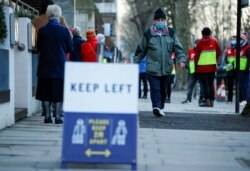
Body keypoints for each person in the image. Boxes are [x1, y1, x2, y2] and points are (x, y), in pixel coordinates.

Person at [134, 8, 186, 117]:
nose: (160, 21)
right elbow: (140, 50)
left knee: (163, 90)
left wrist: (181, 60)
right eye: (158, 19)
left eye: (163, 19)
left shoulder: (171, 32)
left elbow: (178, 48)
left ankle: (161, 107)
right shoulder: (148, 34)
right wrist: (134, 64)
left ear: (165, 21)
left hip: (167, 68)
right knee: (155, 88)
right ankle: (156, 107)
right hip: (152, 68)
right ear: (154, 21)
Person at [36, 4, 73, 124]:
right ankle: (58, 117)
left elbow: (39, 47)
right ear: (59, 15)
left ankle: (47, 116)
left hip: (45, 65)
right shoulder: (64, 31)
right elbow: (70, 48)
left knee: (45, 91)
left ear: (48, 15)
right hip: (60, 66)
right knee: (58, 91)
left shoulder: (42, 31)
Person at [195, 27, 221, 107]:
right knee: (211, 84)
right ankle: (212, 101)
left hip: (202, 68)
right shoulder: (214, 42)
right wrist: (214, 59)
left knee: (205, 85)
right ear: (210, 33)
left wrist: (196, 65)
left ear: (202, 34)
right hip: (212, 67)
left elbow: (196, 55)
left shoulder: (200, 42)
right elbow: (219, 52)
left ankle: (207, 101)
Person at [182, 39, 204, 104]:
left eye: (198, 43)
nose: (197, 45)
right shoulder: (191, 51)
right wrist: (188, 67)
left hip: (201, 71)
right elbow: (187, 60)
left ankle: (201, 100)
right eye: (196, 43)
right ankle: (188, 99)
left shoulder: (202, 51)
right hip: (193, 72)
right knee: (190, 86)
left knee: (202, 87)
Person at [223, 35, 237, 103]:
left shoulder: (239, 48)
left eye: (234, 39)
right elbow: (226, 58)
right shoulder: (228, 49)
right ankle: (229, 99)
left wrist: (232, 64)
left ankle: (239, 100)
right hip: (229, 70)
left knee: (238, 86)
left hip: (236, 69)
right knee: (229, 86)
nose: (233, 41)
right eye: (232, 39)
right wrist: (227, 63)